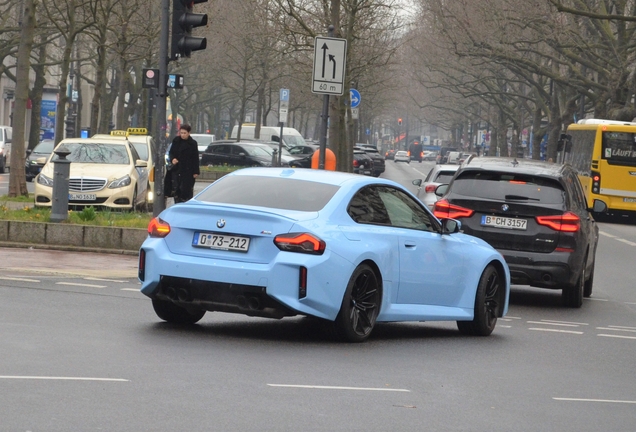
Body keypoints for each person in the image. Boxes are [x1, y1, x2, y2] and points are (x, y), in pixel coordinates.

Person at [168, 124, 199, 203]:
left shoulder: (193, 143)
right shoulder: (176, 141)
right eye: (181, 133)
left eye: (185, 133)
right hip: (177, 169)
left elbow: (195, 157)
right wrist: (173, 159)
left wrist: (195, 171)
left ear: (189, 133)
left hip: (188, 170)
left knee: (186, 189)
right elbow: (171, 152)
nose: (183, 135)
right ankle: (177, 202)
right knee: (176, 188)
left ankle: (186, 203)